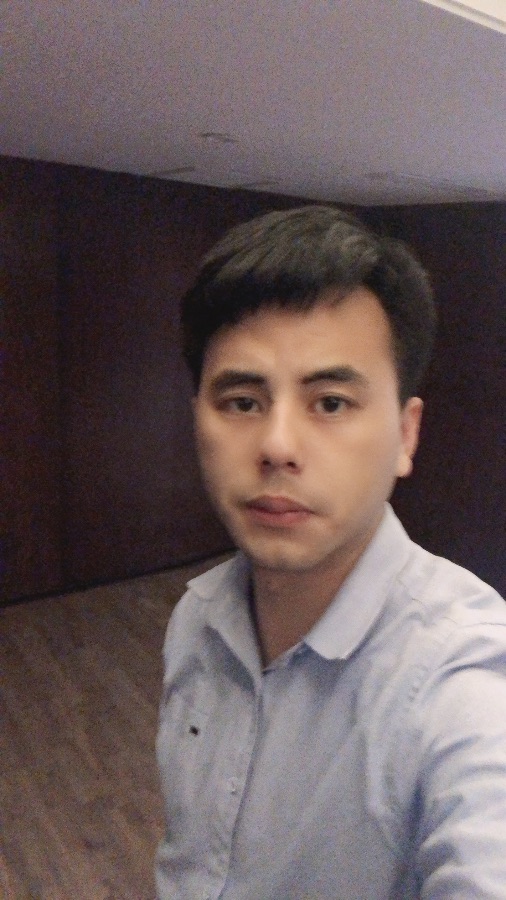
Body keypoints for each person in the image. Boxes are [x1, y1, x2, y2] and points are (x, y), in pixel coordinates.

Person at [155, 205, 506, 899]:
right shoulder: (197, 620)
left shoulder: (461, 678)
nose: (277, 445)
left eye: (331, 402)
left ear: (406, 435)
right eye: (243, 402)